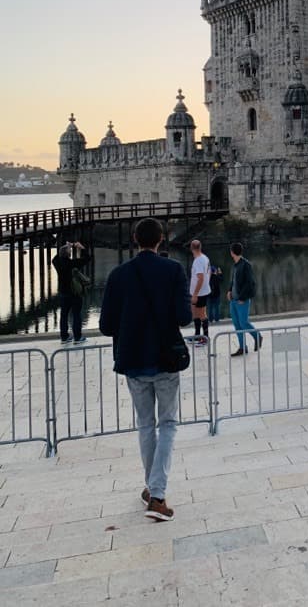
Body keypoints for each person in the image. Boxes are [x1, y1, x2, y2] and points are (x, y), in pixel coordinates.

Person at [99, 217, 192, 522]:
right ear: (161, 240)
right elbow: (183, 318)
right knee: (167, 424)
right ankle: (158, 495)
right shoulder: (174, 270)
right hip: (165, 360)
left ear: (135, 240)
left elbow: (106, 326)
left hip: (134, 362)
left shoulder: (118, 275)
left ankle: (153, 490)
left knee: (145, 425)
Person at [52, 241, 91, 345]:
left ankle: (64, 337)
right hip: (74, 293)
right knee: (76, 314)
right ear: (68, 254)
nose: (70, 251)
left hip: (63, 293)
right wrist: (82, 247)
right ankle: (77, 337)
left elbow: (55, 258)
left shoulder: (57, 263)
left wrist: (66, 247)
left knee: (64, 315)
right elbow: (87, 258)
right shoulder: (72, 263)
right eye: (69, 251)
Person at [227, 242, 261, 356]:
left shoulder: (246, 265)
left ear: (232, 252)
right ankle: (242, 347)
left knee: (244, 323)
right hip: (233, 300)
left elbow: (250, 283)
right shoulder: (235, 265)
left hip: (242, 300)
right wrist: (229, 291)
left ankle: (258, 336)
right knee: (237, 325)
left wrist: (242, 297)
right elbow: (233, 281)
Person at [189, 240, 211, 345]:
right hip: (203, 291)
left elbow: (200, 278)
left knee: (202, 314)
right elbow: (209, 272)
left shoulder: (198, 260)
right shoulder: (205, 257)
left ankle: (205, 337)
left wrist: (195, 294)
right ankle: (197, 335)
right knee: (195, 313)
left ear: (191, 248)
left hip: (199, 293)